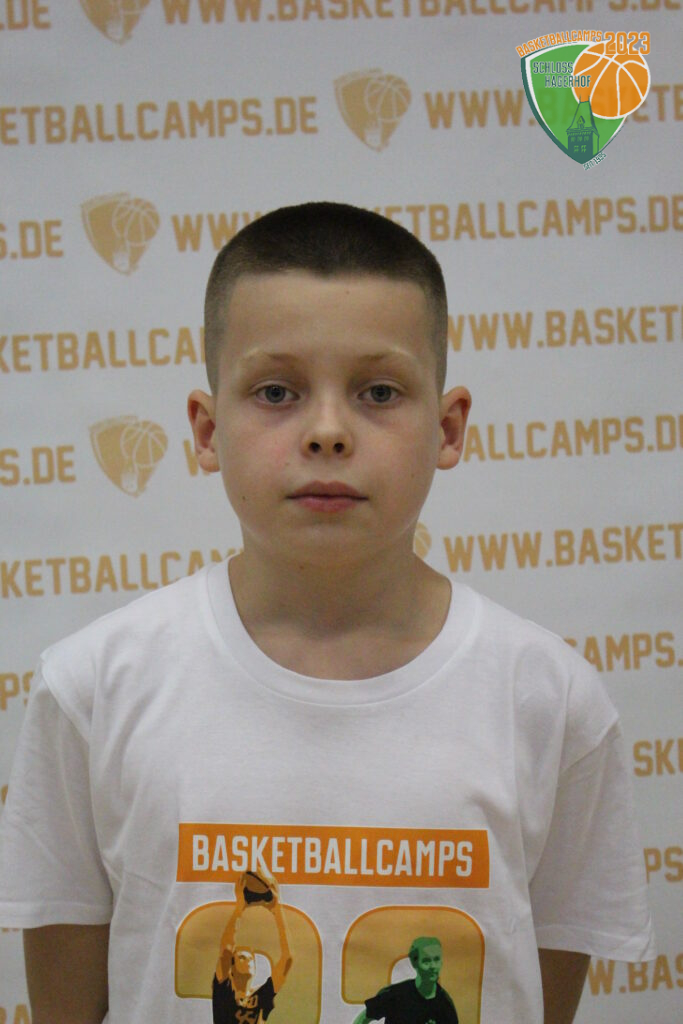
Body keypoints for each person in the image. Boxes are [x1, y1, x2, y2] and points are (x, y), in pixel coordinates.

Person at [0, 202, 654, 1024]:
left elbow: (536, 994)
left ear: (447, 428)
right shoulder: (94, 687)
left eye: (378, 392)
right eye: (276, 391)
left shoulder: (551, 701)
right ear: (207, 430)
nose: (328, 432)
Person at [212, 877, 291, 1024]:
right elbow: (226, 951)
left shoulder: (262, 995)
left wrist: (277, 909)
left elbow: (287, 959)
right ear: (232, 969)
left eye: (251, 959)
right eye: (242, 957)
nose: (249, 960)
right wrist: (240, 906)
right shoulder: (224, 991)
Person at [353, 936, 458, 1024]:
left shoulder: (446, 1005)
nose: (433, 966)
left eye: (436, 959)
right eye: (426, 961)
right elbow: (362, 1019)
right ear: (414, 963)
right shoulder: (396, 995)